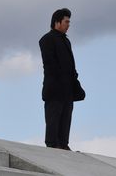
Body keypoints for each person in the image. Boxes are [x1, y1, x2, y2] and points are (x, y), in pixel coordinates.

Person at [39, 8, 85, 150]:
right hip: (54, 89)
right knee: (53, 120)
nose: (68, 24)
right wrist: (62, 79)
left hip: (67, 90)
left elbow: (71, 66)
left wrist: (74, 81)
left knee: (66, 120)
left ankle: (64, 145)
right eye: (66, 21)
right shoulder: (47, 39)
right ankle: (53, 145)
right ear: (57, 22)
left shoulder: (66, 41)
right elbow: (49, 64)